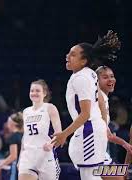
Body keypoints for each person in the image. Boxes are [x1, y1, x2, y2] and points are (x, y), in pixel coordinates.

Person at [52, 30, 121, 180]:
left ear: (83, 61)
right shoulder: (90, 73)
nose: (67, 56)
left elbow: (85, 114)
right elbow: (101, 101)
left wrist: (64, 134)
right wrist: (104, 125)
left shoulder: (81, 78)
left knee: (91, 176)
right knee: (112, 175)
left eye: (72, 54)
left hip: (88, 131)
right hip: (94, 131)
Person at [18, 79, 62, 180]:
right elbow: (25, 137)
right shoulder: (26, 111)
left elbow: (59, 132)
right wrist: (20, 158)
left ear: (44, 93)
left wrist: (51, 143)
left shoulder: (50, 108)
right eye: (32, 90)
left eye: (37, 91)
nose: (34, 93)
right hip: (28, 157)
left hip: (45, 155)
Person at [95, 66, 132, 180]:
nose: (110, 80)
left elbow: (108, 134)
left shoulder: (103, 99)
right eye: (105, 77)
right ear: (96, 81)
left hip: (101, 154)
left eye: (112, 76)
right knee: (119, 177)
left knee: (120, 176)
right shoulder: (96, 97)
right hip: (91, 153)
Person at [0, 112, 23, 180]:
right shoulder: (24, 135)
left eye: (8, 122)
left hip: (18, 166)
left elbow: (13, 156)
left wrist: (0, 166)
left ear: (12, 124)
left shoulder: (13, 136)